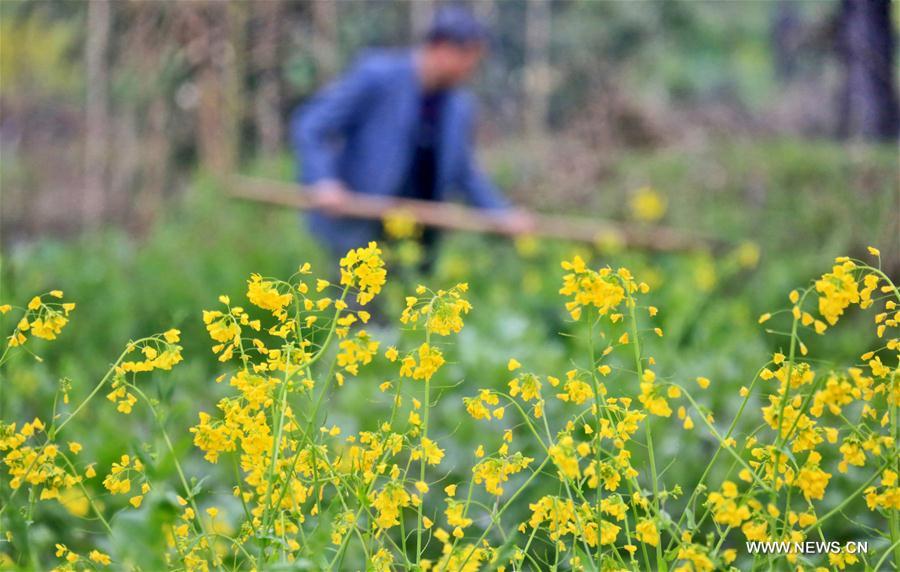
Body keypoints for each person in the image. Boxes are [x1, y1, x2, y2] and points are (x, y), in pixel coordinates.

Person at [291, 5, 534, 259]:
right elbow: (313, 125)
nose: (471, 70)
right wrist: (323, 180)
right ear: (443, 48)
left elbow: (463, 171)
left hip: (419, 241)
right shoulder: (378, 77)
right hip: (360, 228)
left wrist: (501, 214)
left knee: (413, 285)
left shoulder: (459, 107)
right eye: (469, 60)